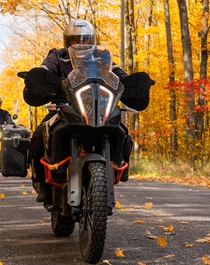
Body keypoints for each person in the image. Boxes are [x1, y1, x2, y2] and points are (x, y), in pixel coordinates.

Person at [25, 19, 132, 209]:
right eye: (74, 39)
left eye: (84, 39)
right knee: (39, 135)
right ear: (67, 41)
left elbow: (116, 72)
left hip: (97, 107)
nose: (79, 43)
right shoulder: (57, 56)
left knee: (123, 131)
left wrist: (130, 82)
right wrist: (39, 76)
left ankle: (121, 169)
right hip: (63, 107)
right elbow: (46, 69)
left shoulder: (101, 57)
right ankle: (41, 183)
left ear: (92, 40)